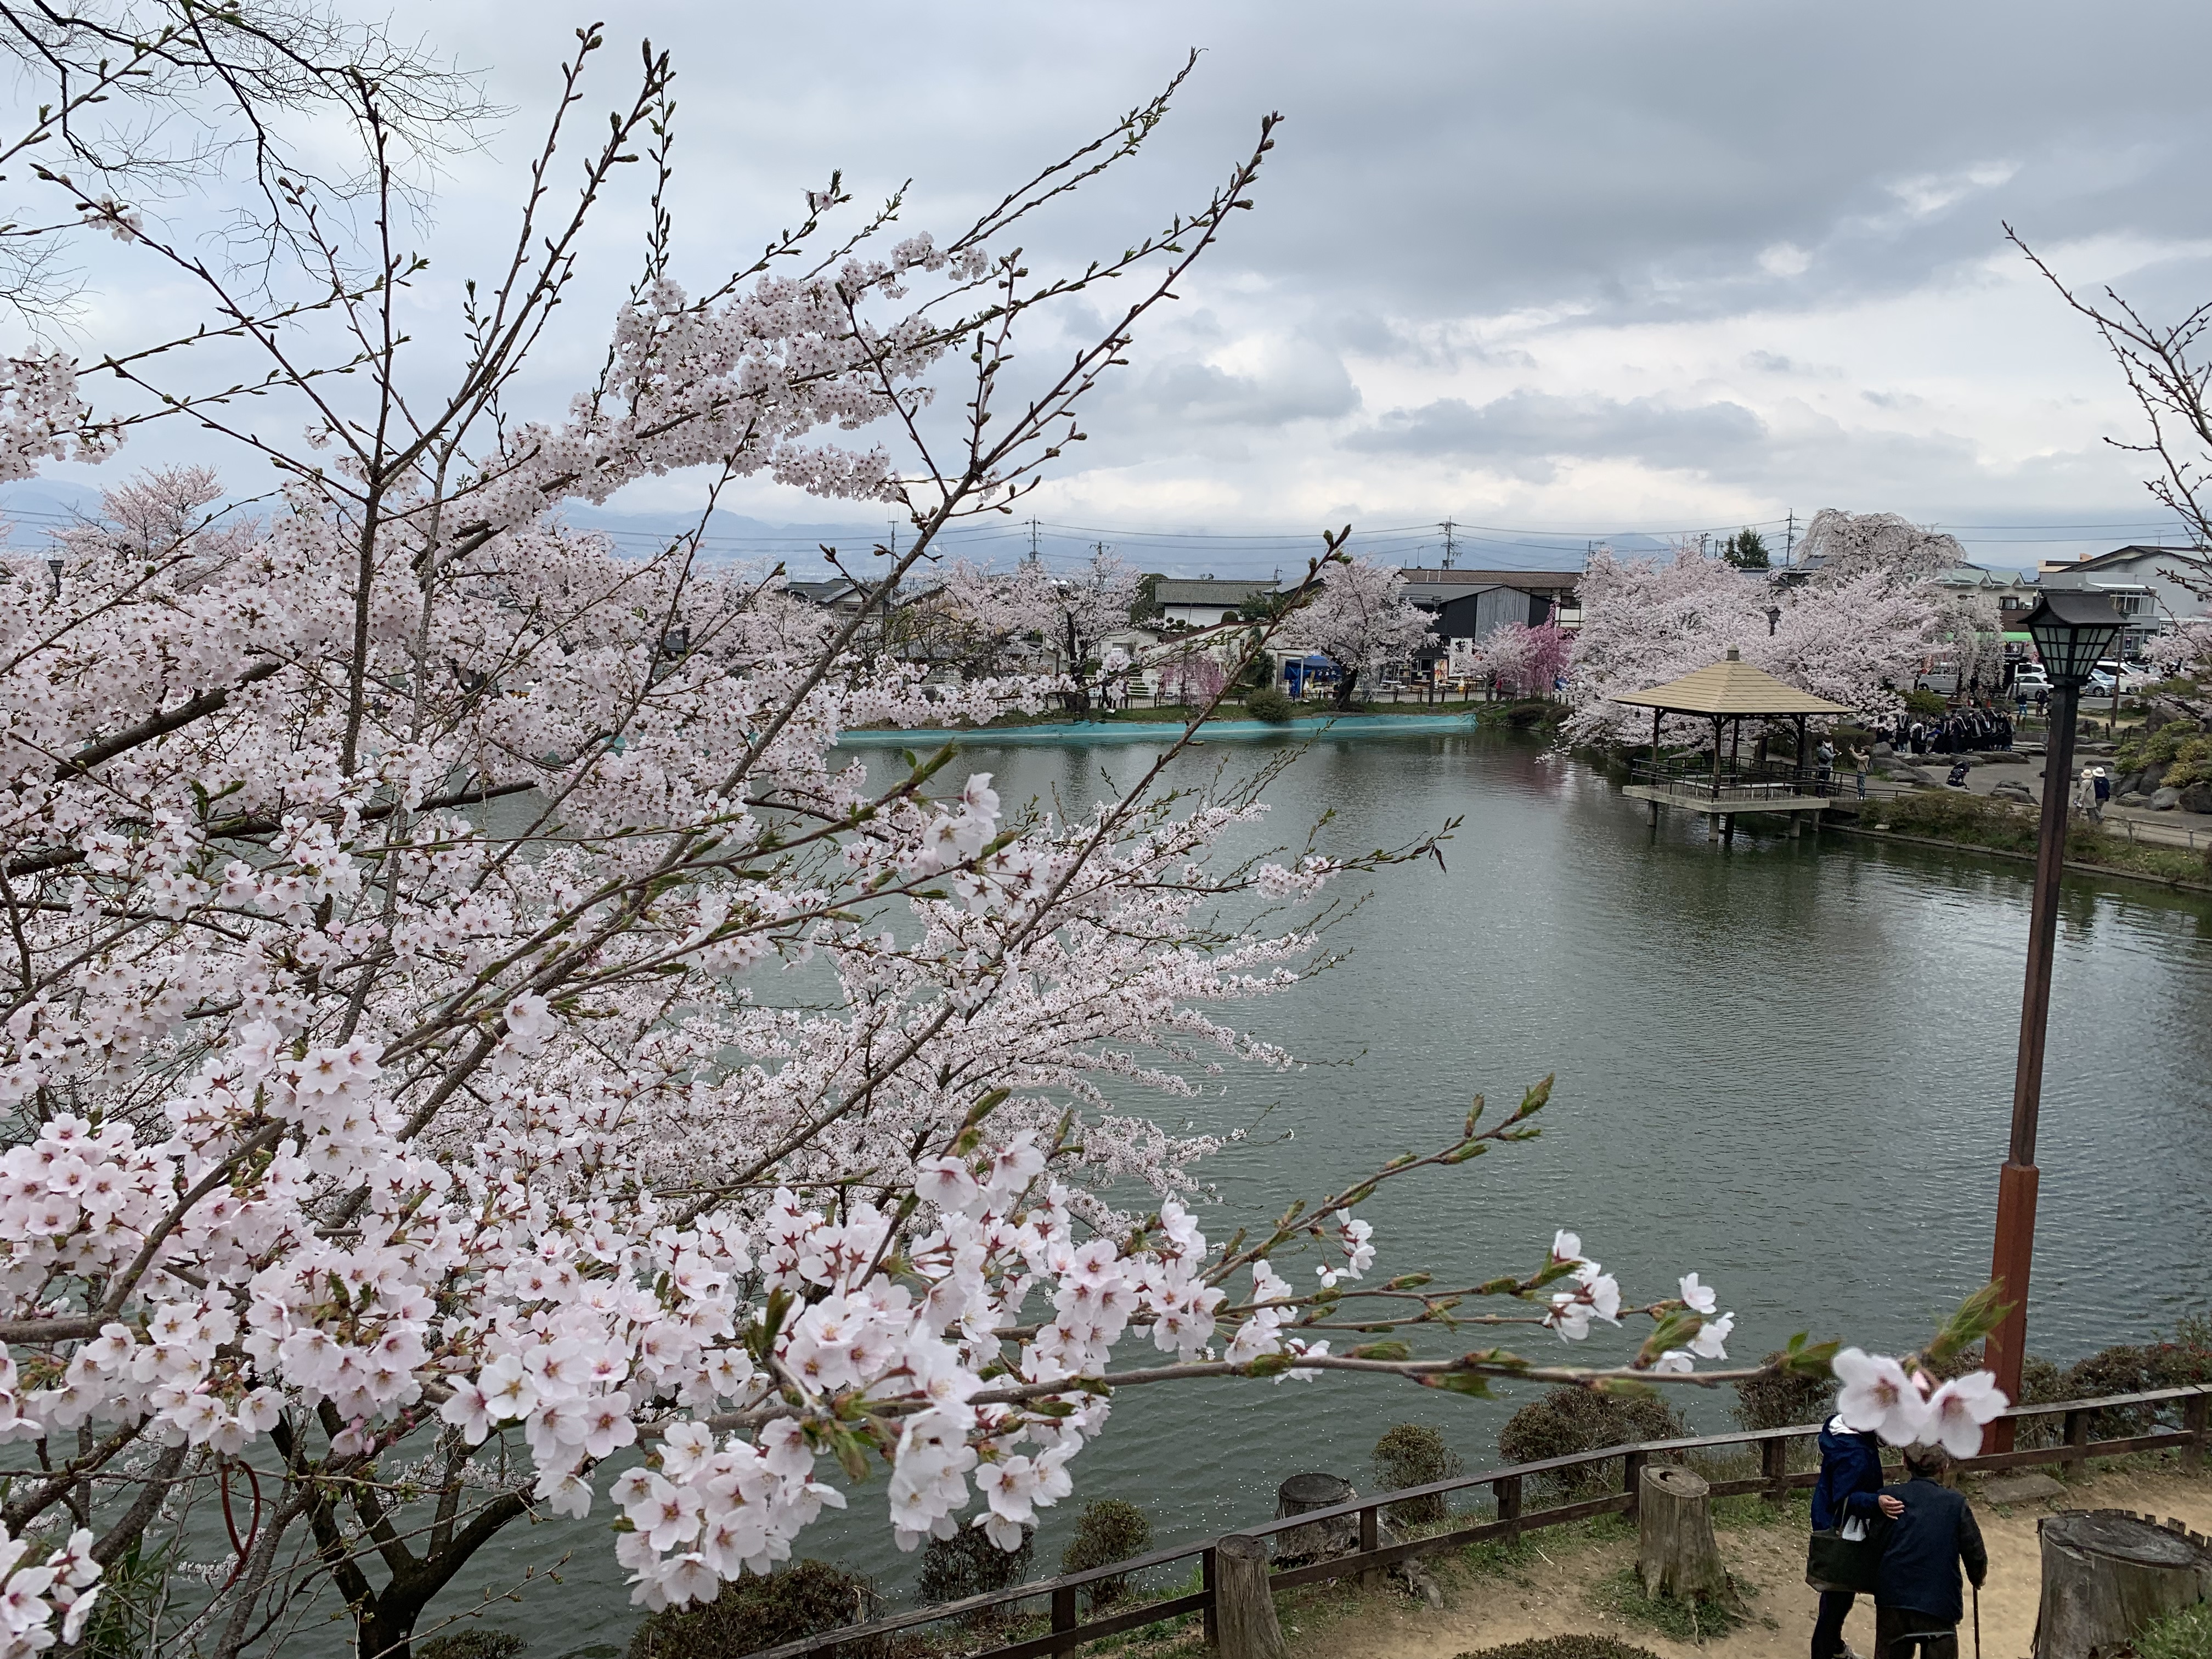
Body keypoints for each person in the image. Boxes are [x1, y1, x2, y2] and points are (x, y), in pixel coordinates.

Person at [1871, 1445, 1987, 1659]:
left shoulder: (1887, 1499)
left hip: (1895, 1599)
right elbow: (1975, 1552)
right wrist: (1977, 1577)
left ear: (1905, 1463)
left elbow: (1873, 1544)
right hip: (1940, 1602)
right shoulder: (1956, 1504)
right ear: (1944, 1468)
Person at [1809, 1413, 1886, 1659]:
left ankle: (1833, 1647)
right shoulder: (1856, 1455)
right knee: (1838, 1598)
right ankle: (1825, 1652)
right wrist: (1877, 1502)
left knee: (1837, 1595)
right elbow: (1845, 1499)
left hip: (1827, 1518)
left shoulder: (1839, 1430)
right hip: (1843, 1529)